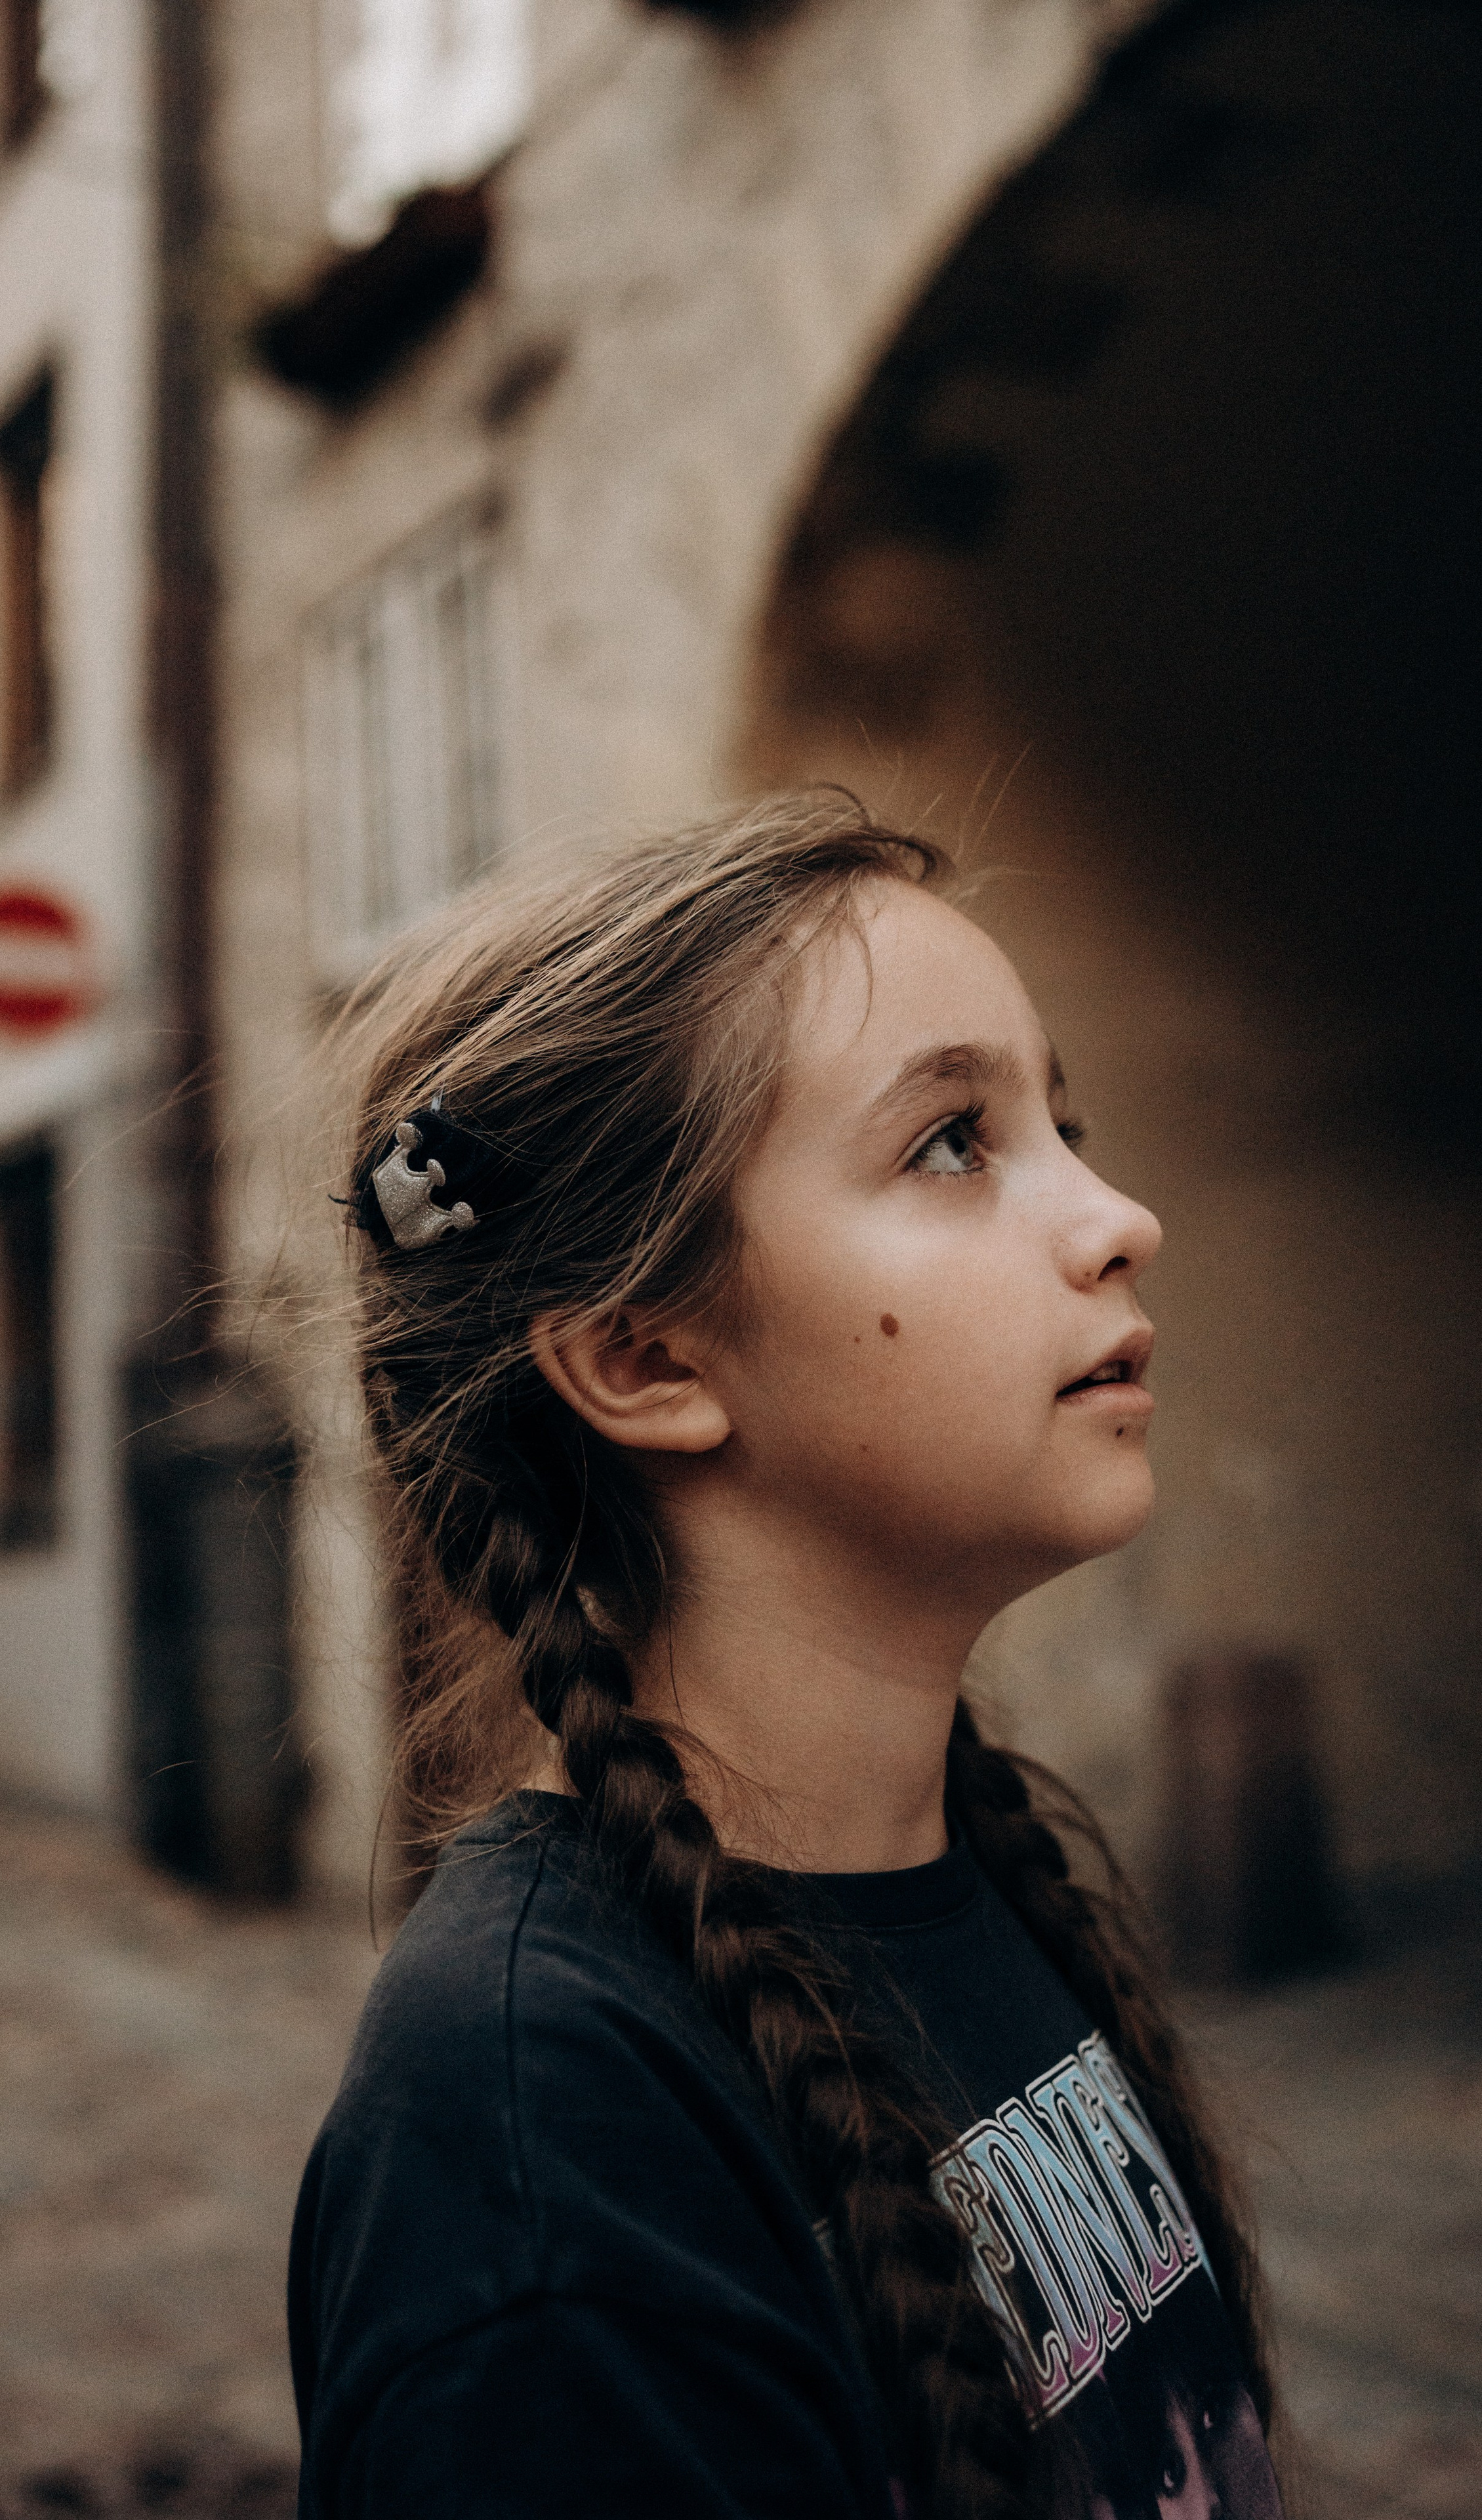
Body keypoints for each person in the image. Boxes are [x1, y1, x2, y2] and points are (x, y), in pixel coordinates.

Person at [288, 795, 1283, 2519]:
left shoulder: (986, 1874)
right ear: (646, 1356)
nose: (1119, 1216)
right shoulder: (540, 2134)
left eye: (1069, 1120)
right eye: (955, 1144)